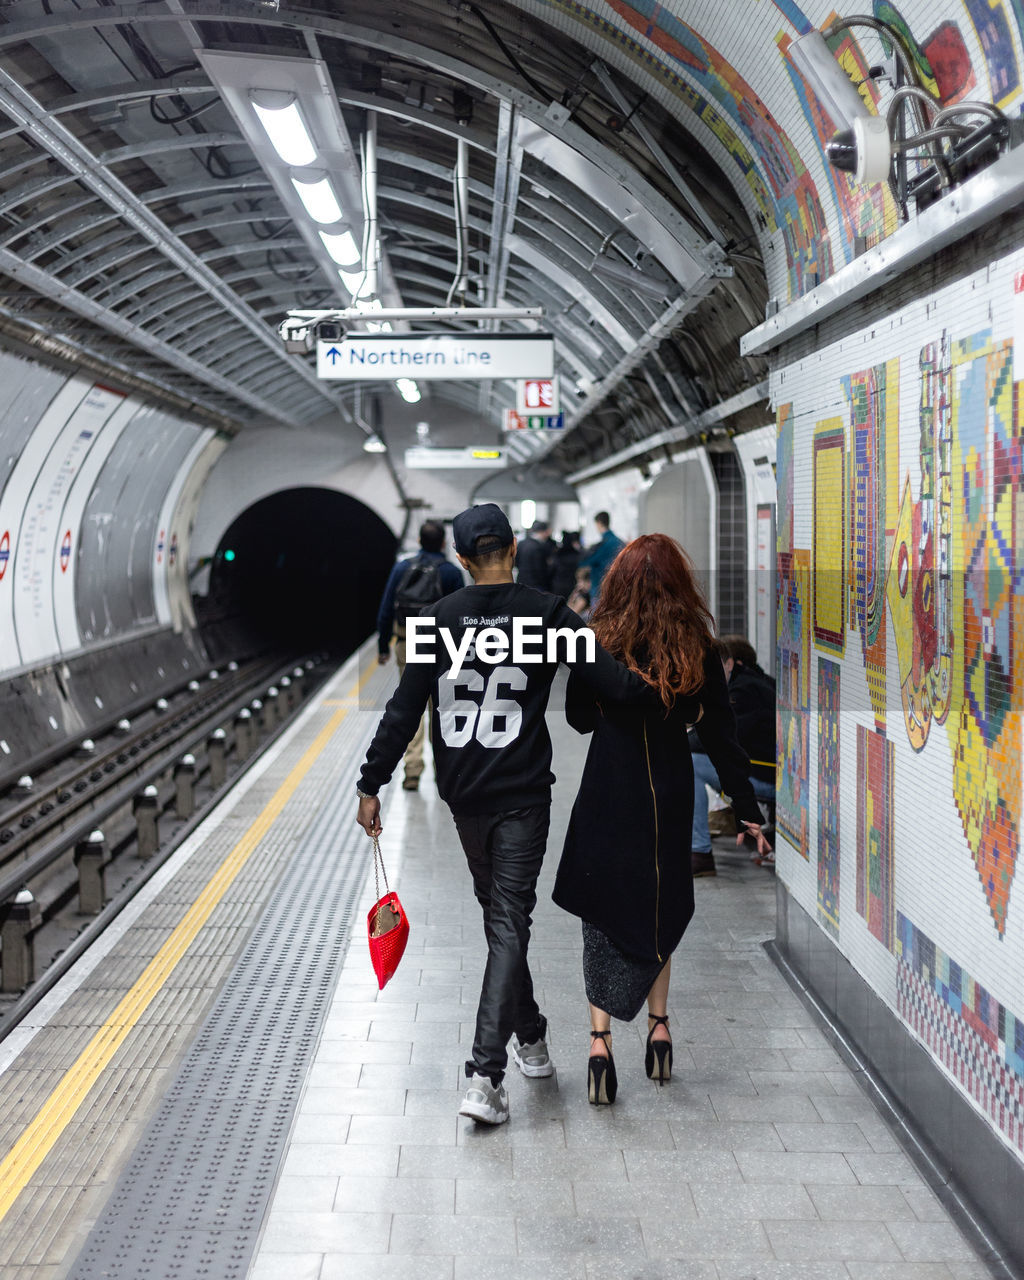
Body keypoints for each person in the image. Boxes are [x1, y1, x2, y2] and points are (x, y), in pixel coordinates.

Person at [355, 503, 657, 1126]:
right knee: (507, 921)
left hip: (464, 796)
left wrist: (372, 782)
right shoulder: (549, 615)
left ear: (462, 561)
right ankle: (532, 1035)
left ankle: (486, 1074)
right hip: (522, 792)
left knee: (503, 919)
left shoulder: (435, 621)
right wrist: (678, 684)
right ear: (513, 548)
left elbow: (403, 707)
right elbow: (617, 685)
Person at [552, 534, 770, 1105]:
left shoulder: (597, 640)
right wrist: (748, 814)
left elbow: (577, 718)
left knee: (601, 910)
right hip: (669, 789)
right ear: (680, 583)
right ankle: (660, 1030)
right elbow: (724, 739)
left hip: (610, 786)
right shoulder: (696, 643)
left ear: (618, 583)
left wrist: (611, 699)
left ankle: (599, 1043)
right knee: (659, 900)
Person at [375, 520, 463, 790]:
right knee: (441, 708)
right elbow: (461, 615)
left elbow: (387, 608)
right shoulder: (450, 572)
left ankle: (412, 771)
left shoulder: (402, 567)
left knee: (410, 704)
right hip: (441, 645)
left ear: (419, 541)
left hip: (407, 641)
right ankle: (443, 770)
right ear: (441, 542)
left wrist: (382, 646)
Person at [691, 634, 776, 877]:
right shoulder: (758, 682)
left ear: (729, 664)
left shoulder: (743, 691)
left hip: (767, 777)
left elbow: (721, 737)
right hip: (770, 772)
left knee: (693, 763)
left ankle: (699, 852)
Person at [576, 511, 624, 602]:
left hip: (600, 589)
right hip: (617, 590)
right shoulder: (620, 542)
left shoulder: (603, 545)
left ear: (598, 523)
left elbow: (585, 561)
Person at [514, 519, 554, 590]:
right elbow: (541, 570)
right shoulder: (539, 547)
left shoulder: (521, 543)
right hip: (535, 586)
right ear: (543, 532)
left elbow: (516, 562)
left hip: (521, 582)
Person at [550, 530, 582, 600]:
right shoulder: (577, 555)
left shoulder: (558, 554)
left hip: (558, 586)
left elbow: (552, 570)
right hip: (572, 586)